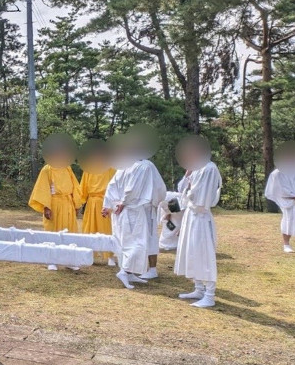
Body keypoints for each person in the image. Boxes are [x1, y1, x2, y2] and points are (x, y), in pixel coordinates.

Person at [107, 130, 166, 288]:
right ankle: (125, 271)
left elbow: (111, 187)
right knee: (138, 242)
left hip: (126, 210)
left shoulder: (127, 165)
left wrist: (110, 205)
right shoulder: (143, 166)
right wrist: (123, 202)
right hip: (137, 210)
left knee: (130, 241)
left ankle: (132, 272)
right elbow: (133, 189)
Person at [174, 136, 222, 308]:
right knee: (192, 252)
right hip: (191, 216)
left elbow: (197, 197)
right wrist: (187, 175)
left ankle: (210, 295)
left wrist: (187, 192)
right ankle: (198, 288)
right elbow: (181, 189)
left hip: (200, 216)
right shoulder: (195, 169)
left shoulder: (209, 168)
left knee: (204, 254)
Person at [28, 134, 84, 271]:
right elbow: (43, 188)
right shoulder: (47, 169)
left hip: (68, 203)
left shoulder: (67, 168)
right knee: (53, 231)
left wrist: (76, 205)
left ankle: (70, 260)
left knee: (70, 232)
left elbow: (74, 187)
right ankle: (51, 260)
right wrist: (46, 207)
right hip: (54, 203)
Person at [264, 142, 295, 254]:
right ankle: (286, 244)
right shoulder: (278, 173)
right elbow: (279, 188)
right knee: (288, 221)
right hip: (289, 202)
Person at [78, 140, 115, 265]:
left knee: (107, 229)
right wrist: (78, 203)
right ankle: (90, 254)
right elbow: (82, 188)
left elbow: (116, 186)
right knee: (90, 229)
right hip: (92, 202)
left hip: (106, 202)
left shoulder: (111, 168)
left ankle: (110, 256)